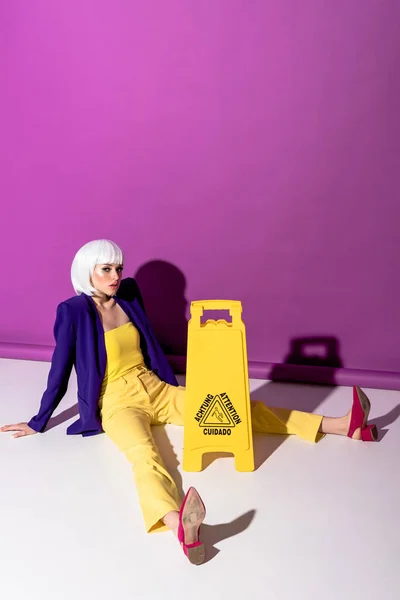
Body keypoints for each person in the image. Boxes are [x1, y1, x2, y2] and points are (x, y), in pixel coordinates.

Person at [0, 240, 378, 565]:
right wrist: (38, 420)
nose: (115, 275)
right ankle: (177, 523)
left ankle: (340, 425)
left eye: (118, 267)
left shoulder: (128, 294)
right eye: (105, 269)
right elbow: (60, 368)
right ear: (86, 271)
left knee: (231, 408)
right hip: (116, 402)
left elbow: (148, 343)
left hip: (156, 388)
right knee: (144, 455)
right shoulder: (74, 312)